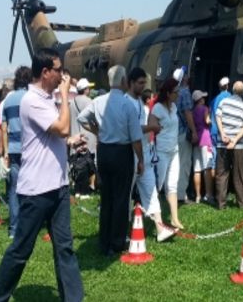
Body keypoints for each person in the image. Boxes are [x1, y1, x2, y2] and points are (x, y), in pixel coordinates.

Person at [0, 48, 84, 302]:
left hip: (58, 187)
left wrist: (71, 141)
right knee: (20, 250)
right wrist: (65, 97)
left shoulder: (46, 99)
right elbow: (61, 127)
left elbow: (53, 135)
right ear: (45, 72)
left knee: (65, 248)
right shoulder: (32, 100)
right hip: (37, 191)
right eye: (59, 70)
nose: (63, 76)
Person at [77, 65, 144, 257]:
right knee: (121, 198)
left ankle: (103, 240)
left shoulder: (98, 101)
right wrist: (141, 160)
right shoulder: (127, 105)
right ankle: (116, 242)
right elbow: (136, 138)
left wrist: (96, 131)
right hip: (122, 152)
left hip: (104, 151)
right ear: (124, 82)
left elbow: (82, 118)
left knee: (106, 197)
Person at [125, 67, 175, 242]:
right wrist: (152, 128)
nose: (143, 86)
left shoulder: (139, 102)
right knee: (126, 193)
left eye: (144, 83)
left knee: (151, 190)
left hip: (144, 153)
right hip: (130, 154)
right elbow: (131, 130)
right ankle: (124, 231)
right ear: (130, 83)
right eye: (140, 83)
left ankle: (160, 228)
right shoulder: (127, 103)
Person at [0, 66, 31, 238]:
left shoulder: (8, 100)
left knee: (13, 189)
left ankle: (13, 228)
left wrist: (5, 152)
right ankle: (29, 225)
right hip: (30, 148)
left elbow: (4, 128)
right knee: (31, 188)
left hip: (12, 148)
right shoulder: (31, 98)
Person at [151, 78, 184, 229]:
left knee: (172, 185)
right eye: (176, 92)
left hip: (174, 150)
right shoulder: (157, 108)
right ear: (168, 93)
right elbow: (150, 126)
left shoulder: (174, 107)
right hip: (162, 152)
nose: (178, 94)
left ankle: (175, 219)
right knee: (157, 185)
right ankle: (152, 217)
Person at [215, 80, 243, 210]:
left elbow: (217, 116)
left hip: (222, 143)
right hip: (239, 146)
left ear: (233, 90)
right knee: (239, 174)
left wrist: (222, 133)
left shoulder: (223, 102)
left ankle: (220, 203)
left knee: (221, 174)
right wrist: (235, 140)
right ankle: (242, 203)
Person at [174, 67, 198, 203]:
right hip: (183, 133)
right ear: (184, 78)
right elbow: (187, 113)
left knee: (174, 164)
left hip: (173, 133)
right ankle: (181, 195)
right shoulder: (185, 92)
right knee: (184, 163)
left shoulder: (173, 92)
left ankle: (171, 191)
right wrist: (194, 131)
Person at [191, 89, 214, 204]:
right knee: (207, 168)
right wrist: (211, 119)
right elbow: (207, 121)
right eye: (203, 97)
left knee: (197, 170)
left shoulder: (193, 111)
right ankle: (209, 195)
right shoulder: (204, 109)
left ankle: (198, 196)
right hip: (205, 139)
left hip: (196, 141)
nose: (204, 99)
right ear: (200, 100)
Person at [209, 76, 231, 176]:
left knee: (213, 160)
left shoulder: (214, 99)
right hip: (224, 132)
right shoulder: (229, 96)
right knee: (223, 160)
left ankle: (212, 186)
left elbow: (210, 114)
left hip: (213, 131)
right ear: (227, 86)